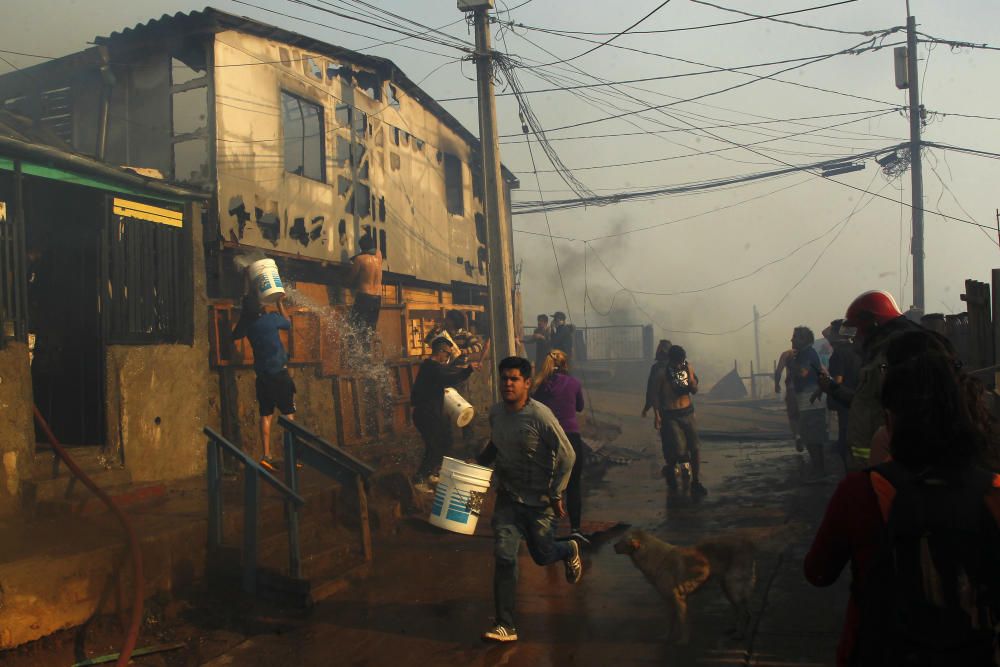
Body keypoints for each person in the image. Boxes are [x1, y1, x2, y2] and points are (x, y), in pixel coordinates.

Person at [804, 348, 1000, 666]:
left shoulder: (861, 491)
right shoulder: (993, 491)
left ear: (890, 420)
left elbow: (818, 572)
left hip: (877, 652)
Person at [476, 356, 581, 643]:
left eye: (513, 379)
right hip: (508, 497)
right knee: (504, 555)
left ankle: (569, 549)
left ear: (525, 383)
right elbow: (497, 444)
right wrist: (476, 467)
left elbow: (568, 456)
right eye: (504, 379)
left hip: (539, 502)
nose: (507, 384)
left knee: (542, 554)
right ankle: (505, 624)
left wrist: (557, 492)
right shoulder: (496, 413)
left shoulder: (540, 416)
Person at [840, 290, 920, 469]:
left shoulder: (895, 352)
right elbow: (867, 401)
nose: (857, 337)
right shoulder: (882, 352)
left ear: (874, 324)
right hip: (874, 460)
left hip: (885, 464)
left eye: (859, 329)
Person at [232, 290, 295, 472]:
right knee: (288, 413)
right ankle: (290, 454)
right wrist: (279, 304)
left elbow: (235, 335)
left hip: (263, 377)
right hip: (280, 375)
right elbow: (288, 324)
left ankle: (266, 455)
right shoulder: (272, 319)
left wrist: (242, 317)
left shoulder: (249, 326)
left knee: (265, 414)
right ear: (261, 307)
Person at [409, 337, 479, 493]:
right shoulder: (432, 368)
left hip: (431, 413)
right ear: (440, 352)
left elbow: (447, 374)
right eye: (447, 354)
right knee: (434, 446)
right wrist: (467, 370)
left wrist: (464, 369)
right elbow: (449, 377)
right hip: (425, 414)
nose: (447, 358)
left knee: (445, 440)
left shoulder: (432, 367)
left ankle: (433, 472)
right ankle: (420, 478)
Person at [531, 349, 587, 543]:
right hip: (571, 437)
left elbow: (534, 409)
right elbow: (580, 407)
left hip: (547, 439)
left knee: (549, 485)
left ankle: (547, 529)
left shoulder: (541, 386)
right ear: (565, 365)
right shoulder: (574, 383)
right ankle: (576, 529)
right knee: (573, 485)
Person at [648, 344, 707, 498]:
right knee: (679, 450)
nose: (679, 364)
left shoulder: (687, 369)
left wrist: (692, 380)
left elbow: (694, 390)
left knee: (695, 448)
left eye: (682, 361)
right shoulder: (662, 373)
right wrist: (657, 415)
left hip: (687, 412)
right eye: (677, 362)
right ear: (670, 360)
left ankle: (695, 482)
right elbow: (654, 395)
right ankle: (670, 470)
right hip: (670, 415)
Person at [815, 320, 862, 471]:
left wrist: (825, 386)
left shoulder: (839, 354)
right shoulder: (857, 349)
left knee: (845, 441)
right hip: (858, 399)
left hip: (844, 401)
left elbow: (838, 381)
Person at [790, 326, 827, 475]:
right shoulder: (806, 353)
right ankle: (818, 470)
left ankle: (819, 471)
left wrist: (793, 363)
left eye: (794, 337)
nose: (791, 339)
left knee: (813, 439)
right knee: (812, 438)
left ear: (803, 339)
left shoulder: (806, 354)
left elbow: (803, 373)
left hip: (811, 401)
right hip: (808, 400)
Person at [347, 232, 383, 341]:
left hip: (364, 296)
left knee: (354, 325)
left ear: (362, 247)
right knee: (369, 329)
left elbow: (351, 278)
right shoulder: (379, 256)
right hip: (377, 298)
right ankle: (368, 354)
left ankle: (357, 352)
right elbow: (374, 250)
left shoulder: (360, 259)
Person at [773, 348, 800, 442]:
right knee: (803, 414)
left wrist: (776, 384)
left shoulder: (787, 354)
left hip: (792, 387)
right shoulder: (808, 352)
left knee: (793, 414)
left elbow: (778, 371)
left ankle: (797, 436)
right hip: (805, 388)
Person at [642, 339, 672, 419]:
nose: (657, 350)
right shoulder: (679, 365)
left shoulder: (656, 368)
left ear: (662, 351)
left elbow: (652, 392)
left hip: (665, 409)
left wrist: (647, 408)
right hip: (685, 409)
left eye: (658, 348)